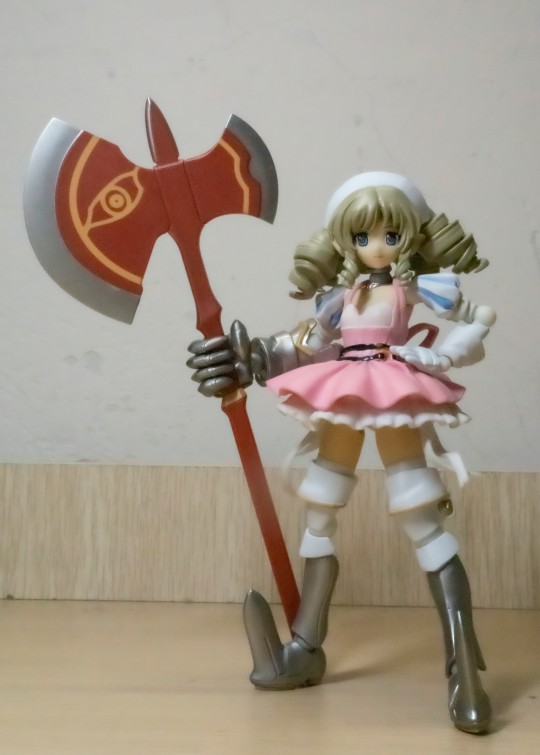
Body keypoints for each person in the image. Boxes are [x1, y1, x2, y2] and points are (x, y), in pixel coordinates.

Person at [187, 171, 495, 734]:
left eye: (390, 235)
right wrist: (246, 358)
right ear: (344, 242)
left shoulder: (414, 288)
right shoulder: (339, 298)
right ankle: (305, 646)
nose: (377, 246)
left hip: (394, 386)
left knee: (422, 516)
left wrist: (444, 355)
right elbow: (304, 346)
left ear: (409, 237)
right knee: (320, 509)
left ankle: (464, 666)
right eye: (362, 236)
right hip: (344, 389)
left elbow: (478, 320)